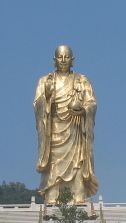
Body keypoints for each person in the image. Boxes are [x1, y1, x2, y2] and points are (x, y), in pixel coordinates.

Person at [34, 45, 98, 202]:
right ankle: (53, 197)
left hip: (75, 130)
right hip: (54, 132)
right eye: (60, 57)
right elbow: (37, 104)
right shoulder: (45, 81)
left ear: (73, 60)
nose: (63, 60)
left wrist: (83, 109)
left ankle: (78, 197)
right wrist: (47, 97)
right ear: (54, 60)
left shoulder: (82, 81)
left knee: (77, 163)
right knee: (53, 164)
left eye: (67, 57)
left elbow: (91, 102)